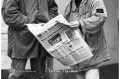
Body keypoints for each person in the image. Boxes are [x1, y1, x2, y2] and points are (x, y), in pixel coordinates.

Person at [2, 0, 58, 79]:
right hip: (20, 38)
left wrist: (47, 20)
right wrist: (32, 20)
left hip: (41, 37)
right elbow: (9, 14)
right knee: (17, 74)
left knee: (39, 75)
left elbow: (52, 8)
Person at [63, 0, 110, 79]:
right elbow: (64, 21)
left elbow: (100, 17)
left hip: (92, 49)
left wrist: (80, 24)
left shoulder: (96, 1)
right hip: (77, 51)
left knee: (92, 73)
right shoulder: (70, 5)